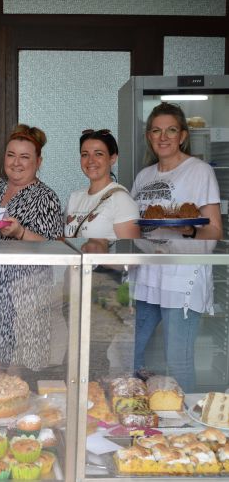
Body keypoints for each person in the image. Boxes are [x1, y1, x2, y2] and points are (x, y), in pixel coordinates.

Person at [130, 102, 223, 392]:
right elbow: (134, 225)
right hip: (148, 278)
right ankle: (144, 418)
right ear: (149, 136)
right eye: (156, 131)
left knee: (177, 359)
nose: (163, 137)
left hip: (182, 279)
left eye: (171, 130)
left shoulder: (198, 171)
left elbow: (215, 230)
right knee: (132, 354)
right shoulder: (144, 177)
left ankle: (187, 425)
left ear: (182, 135)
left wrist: (187, 228)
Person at [0, 124, 65, 375]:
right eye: (11, 155)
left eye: (25, 157)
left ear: (38, 161)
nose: (16, 162)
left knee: (15, 374)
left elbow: (53, 247)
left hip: (23, 297)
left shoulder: (46, 197)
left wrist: (20, 233)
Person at [64, 129, 140, 239]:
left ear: (112, 158)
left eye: (98, 154)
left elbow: (129, 253)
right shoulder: (74, 198)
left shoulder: (121, 199)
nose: (90, 160)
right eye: (85, 154)